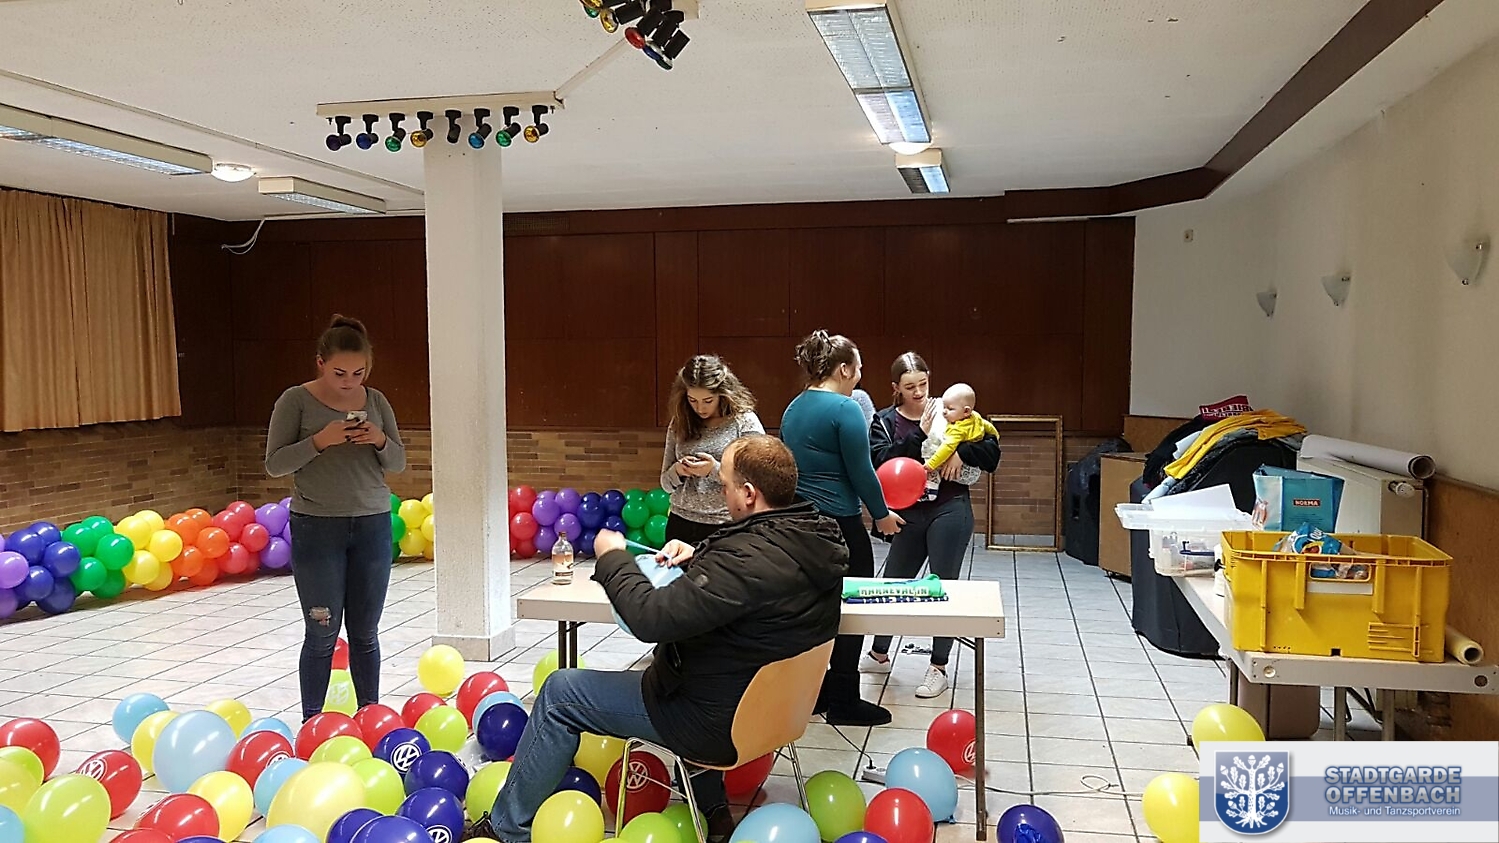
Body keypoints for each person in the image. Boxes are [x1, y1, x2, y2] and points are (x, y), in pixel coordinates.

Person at [474, 435, 847, 843]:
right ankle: (714, 812)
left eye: (724, 485)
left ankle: (505, 829)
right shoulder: (814, 540)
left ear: (748, 493)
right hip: (778, 713)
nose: (721, 493)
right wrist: (703, 556)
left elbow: (649, 619)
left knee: (560, 693)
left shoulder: (745, 560)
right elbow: (753, 581)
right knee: (708, 671)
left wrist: (612, 557)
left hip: (713, 723)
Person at [265, 315, 406, 722]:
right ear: (320, 363)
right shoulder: (295, 400)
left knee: (365, 634)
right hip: (317, 527)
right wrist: (319, 441)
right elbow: (274, 464)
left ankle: (370, 717)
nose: (349, 382)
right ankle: (311, 721)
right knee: (322, 632)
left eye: (359, 373)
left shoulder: (376, 401)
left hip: (372, 524)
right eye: (339, 373)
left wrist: (378, 439)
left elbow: (397, 461)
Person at [780, 330, 902, 726]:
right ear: (844, 369)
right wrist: (881, 514)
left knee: (813, 609)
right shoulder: (846, 409)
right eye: (859, 368)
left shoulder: (794, 407)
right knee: (852, 608)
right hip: (840, 525)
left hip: (800, 524)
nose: (860, 375)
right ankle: (845, 700)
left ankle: (815, 693)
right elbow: (861, 470)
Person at [866, 353, 999, 698]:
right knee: (893, 582)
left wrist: (961, 452)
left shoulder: (953, 410)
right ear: (896, 388)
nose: (918, 392)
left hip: (950, 509)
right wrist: (919, 435)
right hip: (908, 513)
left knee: (944, 587)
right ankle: (879, 654)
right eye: (909, 386)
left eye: (923, 384)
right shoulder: (885, 420)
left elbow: (991, 453)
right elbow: (882, 460)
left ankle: (938, 666)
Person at [659, 355, 765, 546]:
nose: (700, 408)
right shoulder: (680, 422)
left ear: (723, 394)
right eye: (692, 400)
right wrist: (678, 471)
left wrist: (714, 470)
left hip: (726, 523)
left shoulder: (744, 421)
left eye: (708, 400)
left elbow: (758, 479)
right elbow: (665, 484)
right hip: (681, 521)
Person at [924, 382, 999, 471]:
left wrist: (931, 464)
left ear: (966, 411)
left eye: (950, 409)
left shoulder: (958, 430)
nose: (944, 411)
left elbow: (947, 447)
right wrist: (996, 436)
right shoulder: (975, 416)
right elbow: (988, 426)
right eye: (944, 407)